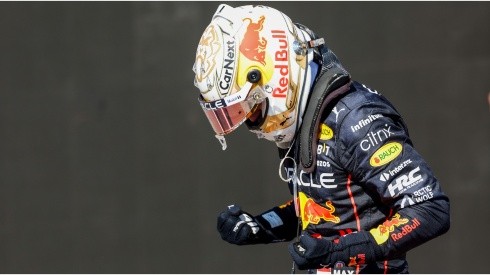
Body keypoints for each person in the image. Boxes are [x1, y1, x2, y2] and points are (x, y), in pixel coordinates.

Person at [192, 4, 450, 274]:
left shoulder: (356, 120)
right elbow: (324, 208)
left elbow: (430, 208)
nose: (249, 120)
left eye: (248, 108)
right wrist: (260, 226)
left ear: (274, 79)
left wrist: (341, 251)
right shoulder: (305, 117)